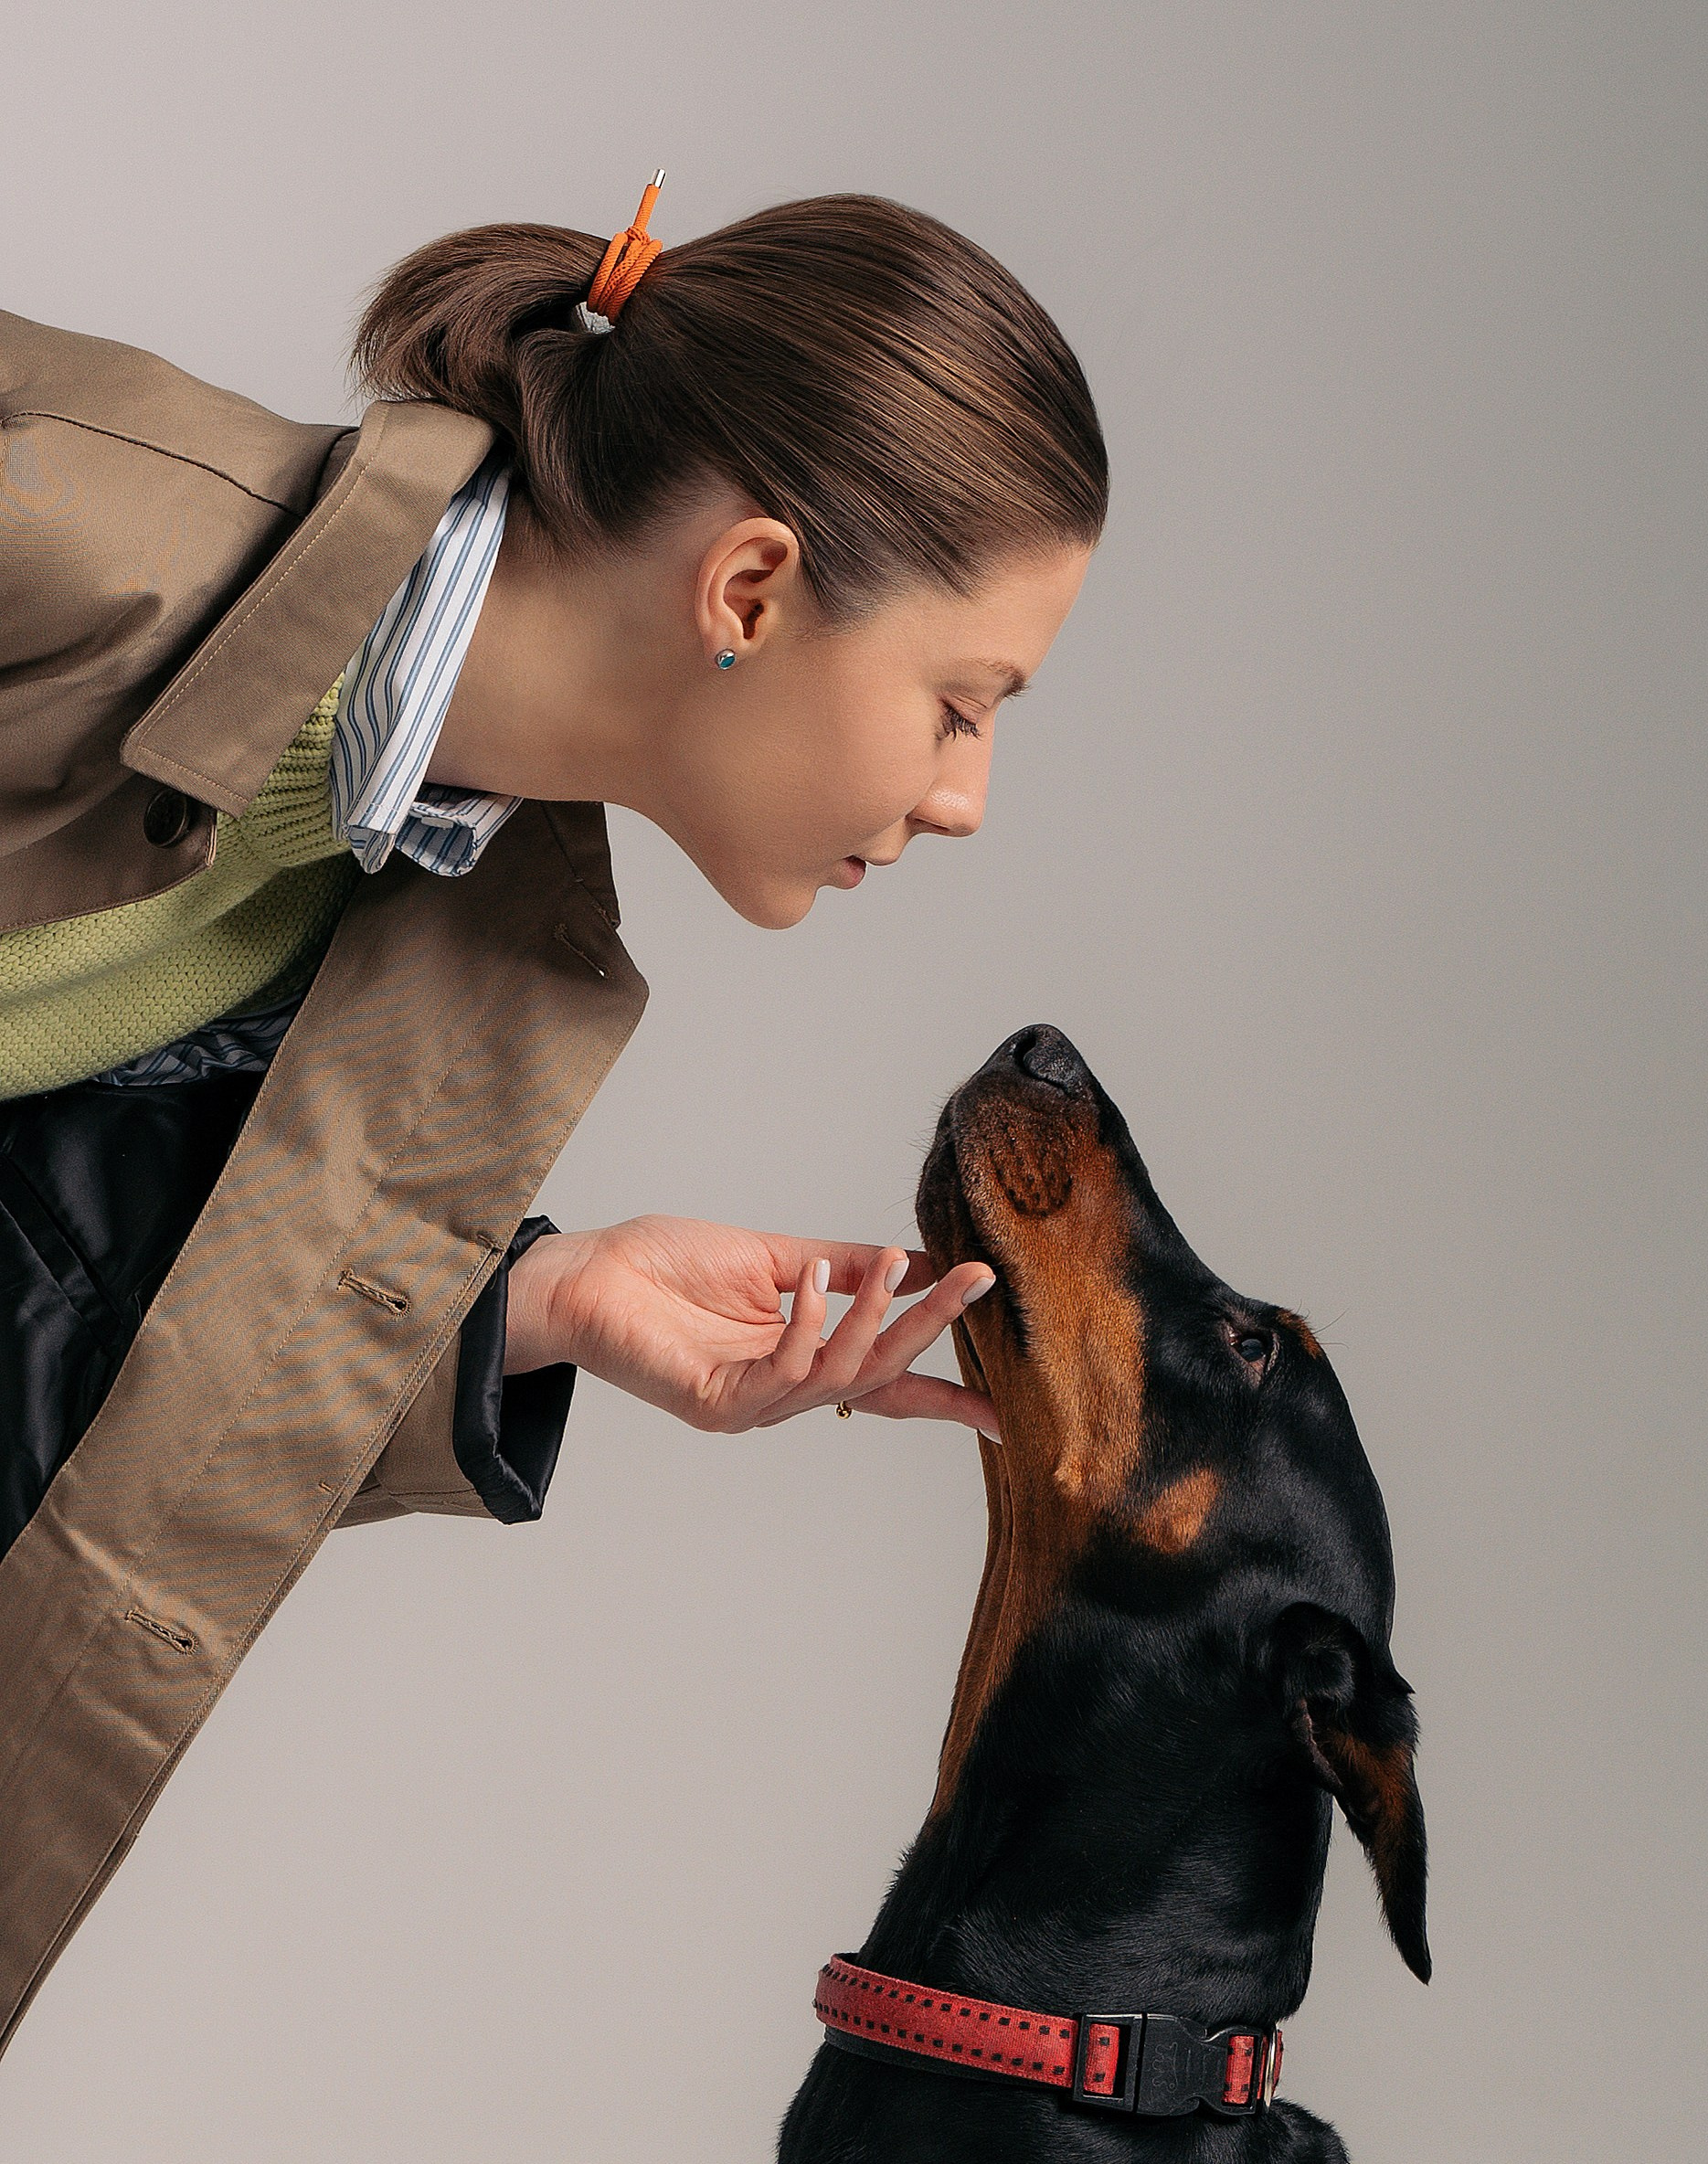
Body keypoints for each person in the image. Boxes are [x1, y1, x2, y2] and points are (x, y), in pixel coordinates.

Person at [0, 177, 1107, 2056]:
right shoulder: (71, 520)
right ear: (749, 586)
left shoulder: (475, 955)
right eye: (960, 700)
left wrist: (521, 1306)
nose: (965, 796)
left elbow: (57, 1294)